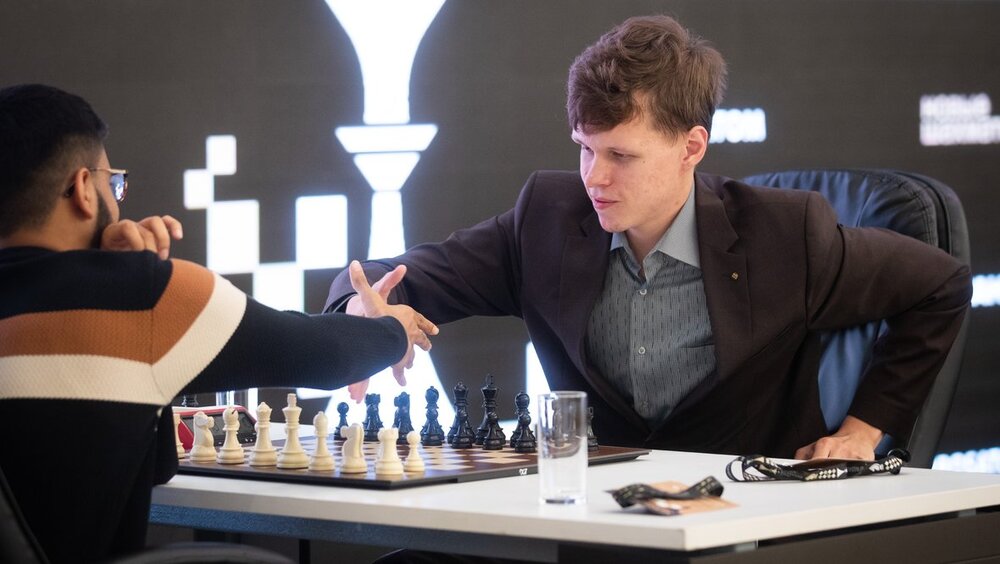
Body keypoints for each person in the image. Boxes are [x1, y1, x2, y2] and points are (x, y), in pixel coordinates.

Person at [328, 15, 972, 463]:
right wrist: (360, 311)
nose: (594, 178)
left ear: (692, 146)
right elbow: (389, 278)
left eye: (621, 155)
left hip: (744, 526)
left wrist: (864, 428)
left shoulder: (785, 236)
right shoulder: (547, 219)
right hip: (600, 523)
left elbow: (940, 286)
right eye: (585, 149)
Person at [0, 84, 438, 563]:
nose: (118, 201)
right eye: (114, 184)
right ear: (84, 189)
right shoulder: (141, 295)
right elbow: (323, 355)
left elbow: (149, 466)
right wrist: (393, 329)